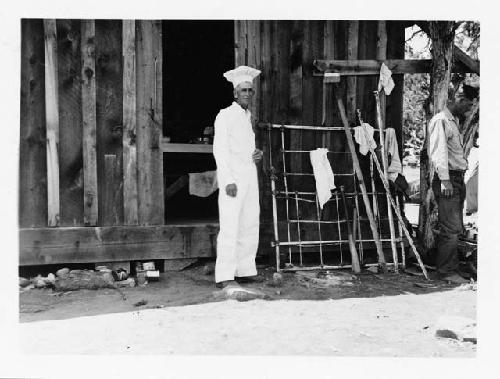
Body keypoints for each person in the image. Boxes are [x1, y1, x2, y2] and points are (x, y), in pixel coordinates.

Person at [212, 65, 263, 289]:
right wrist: (228, 180)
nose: (247, 94)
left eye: (250, 90)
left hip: (249, 176)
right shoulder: (225, 115)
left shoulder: (247, 117)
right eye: (243, 90)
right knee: (231, 225)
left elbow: (244, 149)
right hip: (233, 178)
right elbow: (220, 150)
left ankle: (245, 269)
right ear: (235, 93)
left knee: (249, 222)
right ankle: (225, 274)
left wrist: (257, 154)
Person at [428, 83, 479, 284]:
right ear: (459, 98)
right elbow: (438, 152)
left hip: (456, 178)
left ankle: (451, 267)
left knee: (455, 227)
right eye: (468, 104)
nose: (469, 109)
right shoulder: (441, 121)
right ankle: (446, 272)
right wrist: (445, 181)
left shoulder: (452, 121)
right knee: (450, 228)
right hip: (448, 178)